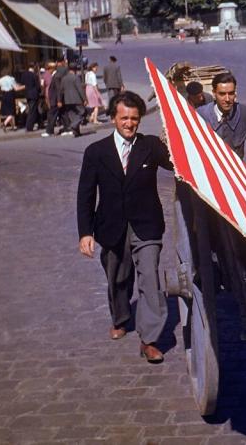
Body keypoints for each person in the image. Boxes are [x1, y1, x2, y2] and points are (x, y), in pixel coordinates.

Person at [76, 91, 174, 364]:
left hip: (147, 225)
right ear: (113, 119)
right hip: (111, 226)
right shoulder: (96, 152)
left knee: (150, 280)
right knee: (117, 278)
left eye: (134, 119)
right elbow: (85, 194)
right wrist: (85, 232)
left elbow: (175, 164)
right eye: (124, 118)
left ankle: (150, 339)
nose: (129, 124)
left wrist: (174, 139)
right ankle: (120, 318)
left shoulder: (151, 146)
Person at [60, 63, 87, 137]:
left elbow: (61, 90)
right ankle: (73, 125)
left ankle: (76, 132)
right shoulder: (76, 78)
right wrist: (84, 99)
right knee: (82, 112)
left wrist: (59, 100)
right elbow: (80, 89)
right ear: (75, 70)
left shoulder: (64, 78)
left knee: (72, 116)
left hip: (67, 100)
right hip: (76, 99)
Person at [43, 60, 68, 137]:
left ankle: (49, 131)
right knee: (62, 114)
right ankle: (67, 128)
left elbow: (58, 89)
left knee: (52, 115)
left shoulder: (56, 76)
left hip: (55, 99)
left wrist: (59, 100)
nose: (47, 71)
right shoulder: (56, 75)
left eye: (48, 69)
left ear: (52, 69)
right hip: (56, 99)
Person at [20, 64, 41, 132]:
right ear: (34, 68)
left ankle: (40, 123)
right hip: (34, 94)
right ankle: (29, 126)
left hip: (27, 94)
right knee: (32, 111)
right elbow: (38, 86)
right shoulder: (34, 75)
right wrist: (39, 91)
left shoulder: (24, 75)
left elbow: (22, 83)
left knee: (34, 109)